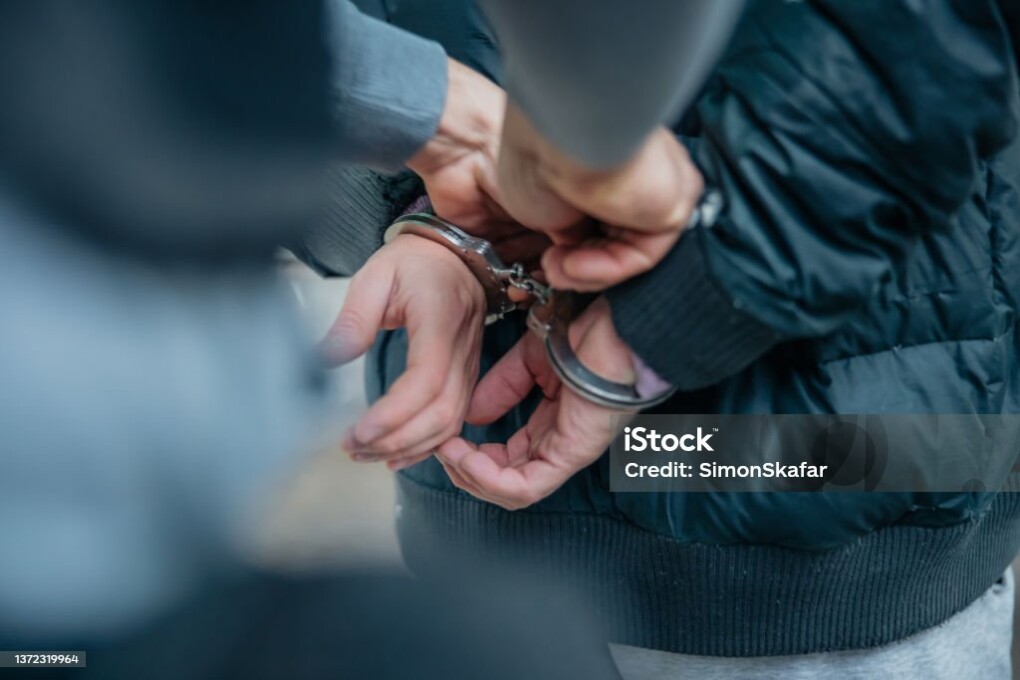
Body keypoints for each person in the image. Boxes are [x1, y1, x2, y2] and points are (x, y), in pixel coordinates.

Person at [314, 0, 1020, 677]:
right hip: (482, 529)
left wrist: (674, 313)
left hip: (829, 517)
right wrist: (438, 213)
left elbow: (919, 43)